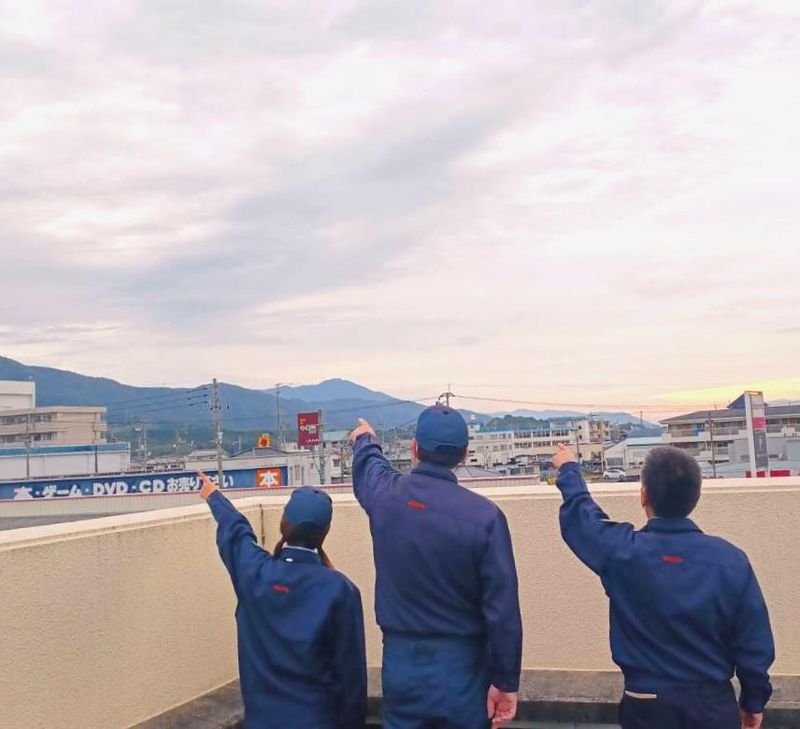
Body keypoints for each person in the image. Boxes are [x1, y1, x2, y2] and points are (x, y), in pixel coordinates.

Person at [551, 444, 775, 729]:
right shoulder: (731, 560)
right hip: (713, 705)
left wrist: (569, 469)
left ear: (644, 496)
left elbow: (583, 520)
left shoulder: (623, 552)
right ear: (696, 496)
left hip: (646, 703)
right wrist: (753, 702)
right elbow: (753, 642)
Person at [348, 406, 522, 729]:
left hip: (401, 664)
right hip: (463, 669)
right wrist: (506, 680)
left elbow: (369, 468)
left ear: (414, 448)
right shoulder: (485, 517)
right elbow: (503, 610)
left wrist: (366, 439)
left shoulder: (386, 496)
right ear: (465, 455)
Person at [198, 471, 367, 729]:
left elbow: (236, 532)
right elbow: (352, 680)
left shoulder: (255, 573)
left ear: (283, 523)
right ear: (325, 532)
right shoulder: (340, 590)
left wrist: (214, 496)